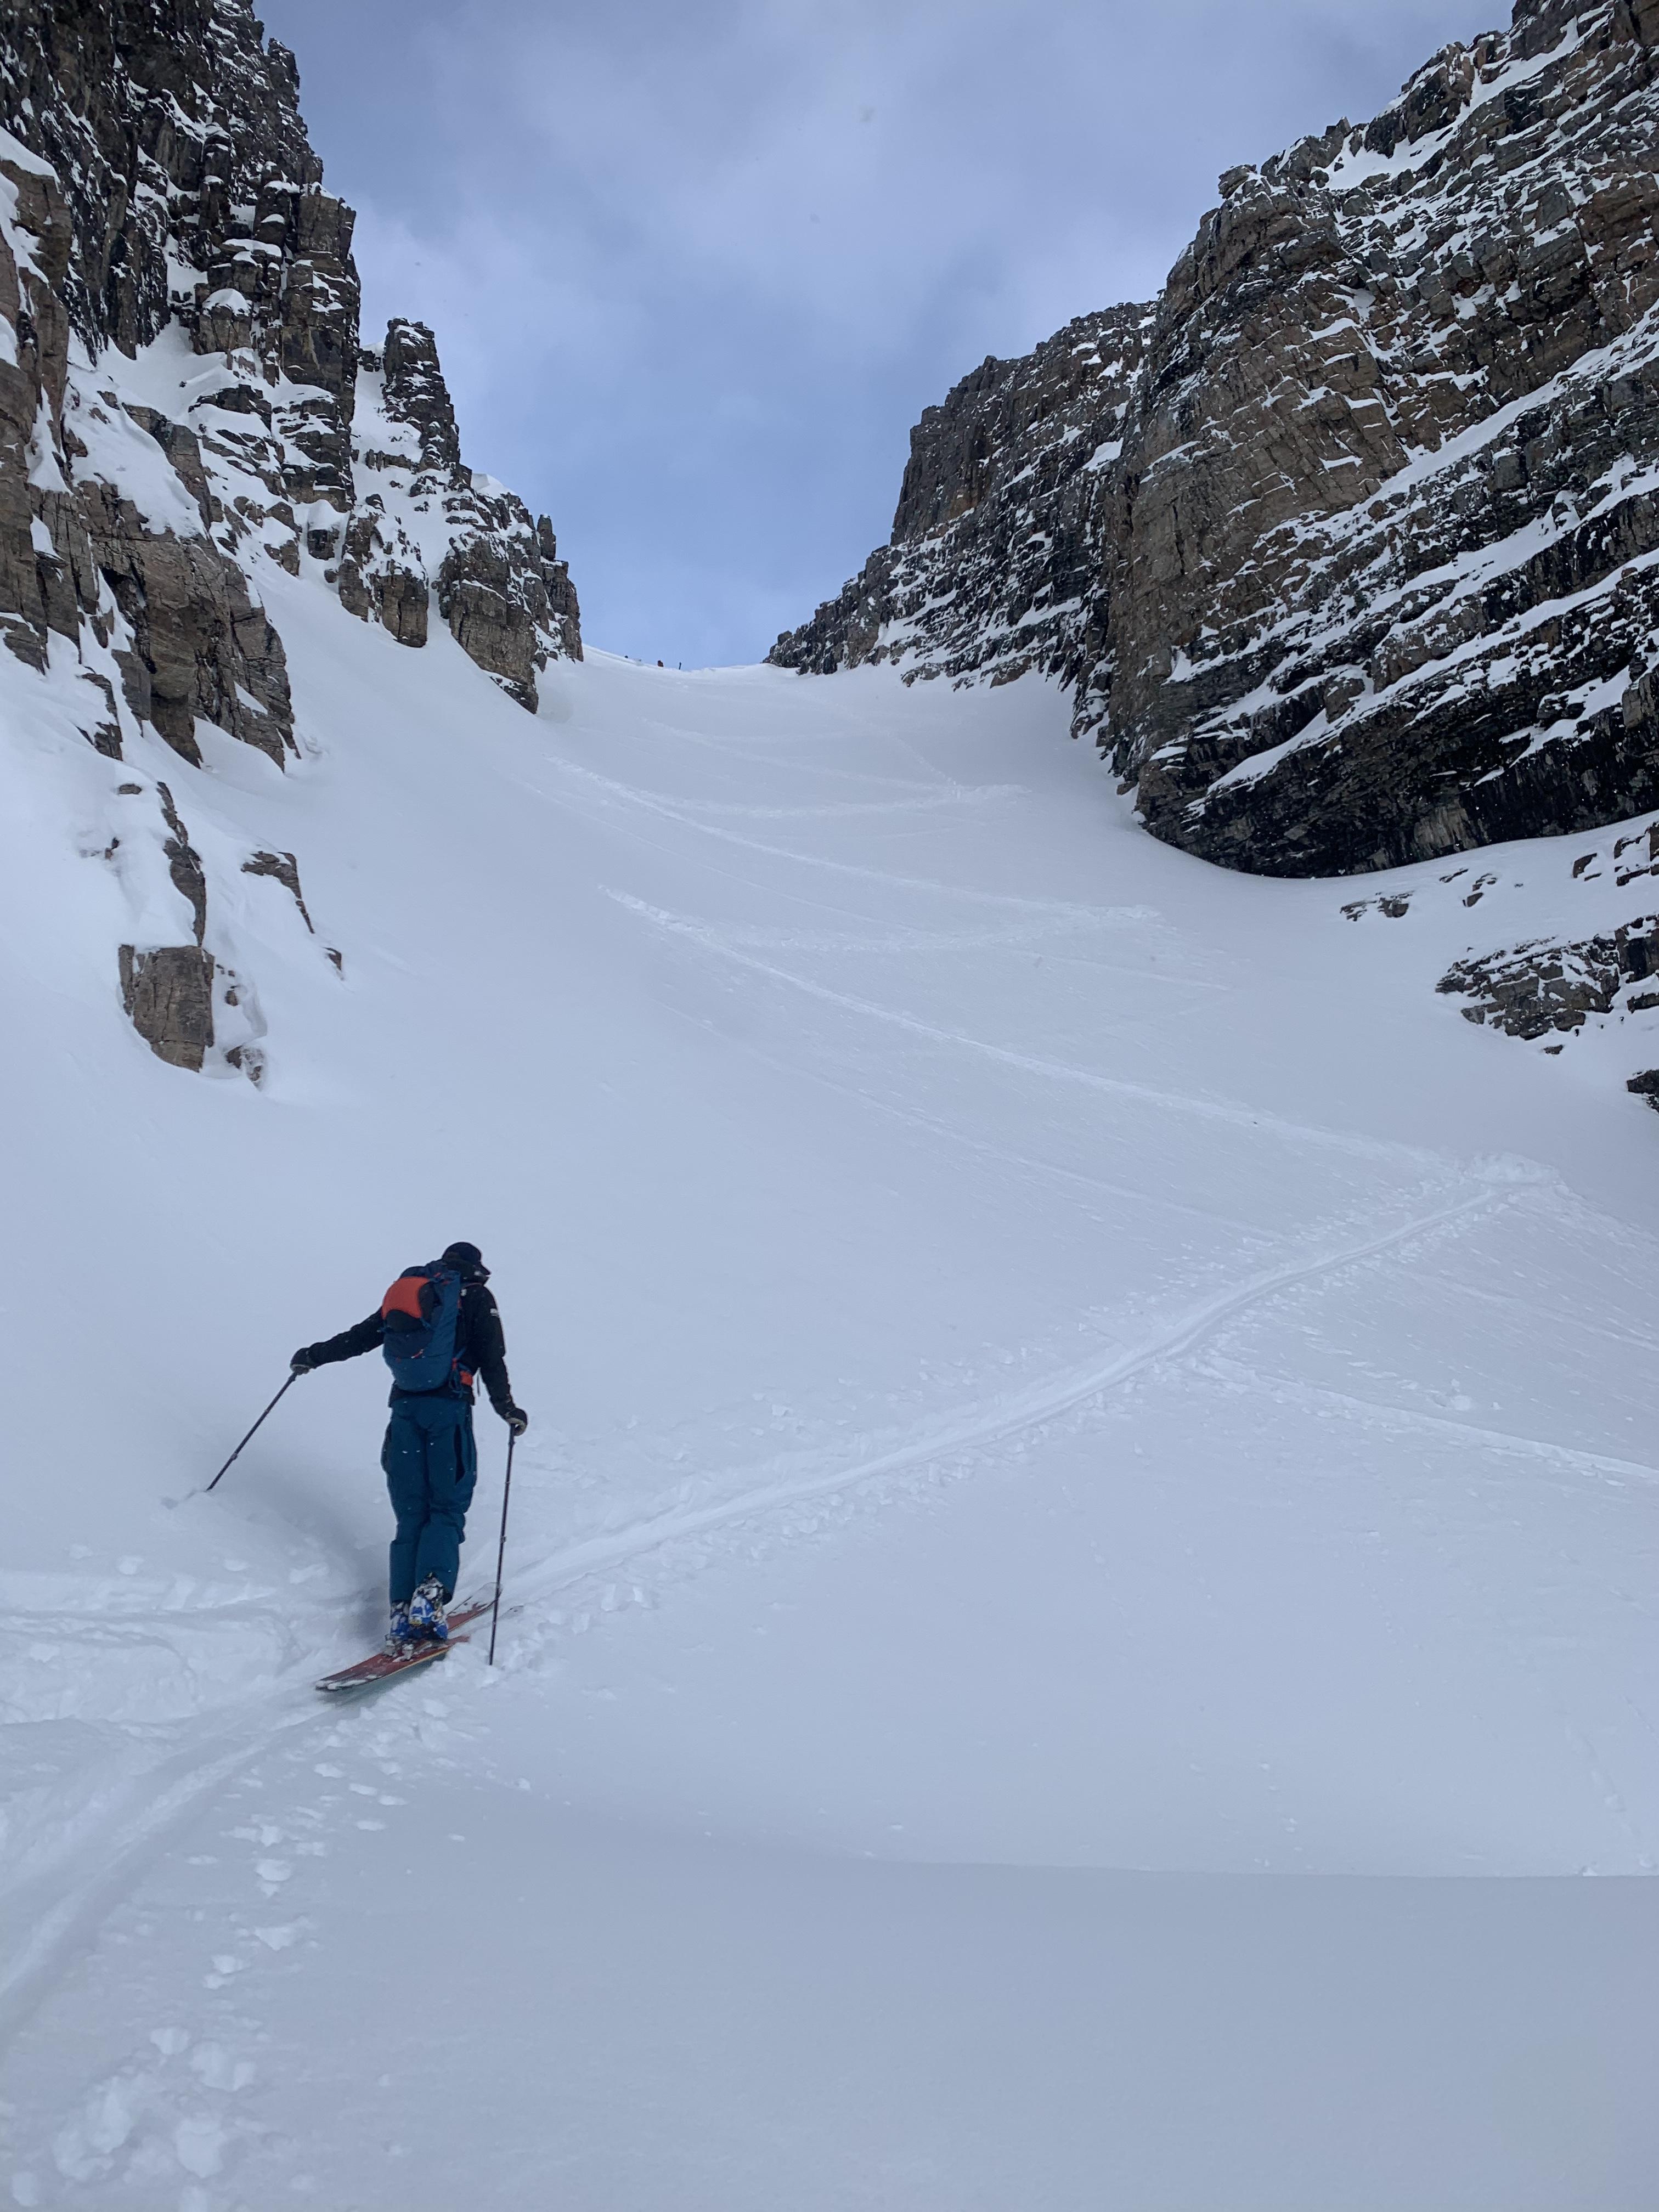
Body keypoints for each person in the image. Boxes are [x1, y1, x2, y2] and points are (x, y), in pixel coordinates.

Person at [291, 1241, 527, 1651]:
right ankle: (430, 1598)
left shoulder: (413, 1292)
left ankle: (402, 1610)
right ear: (475, 1267)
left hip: (404, 1413)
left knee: (412, 1513)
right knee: (446, 1507)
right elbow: (492, 1357)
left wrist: (313, 1356)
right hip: (448, 1410)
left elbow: (362, 1336)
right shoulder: (475, 1297)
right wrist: (507, 1408)